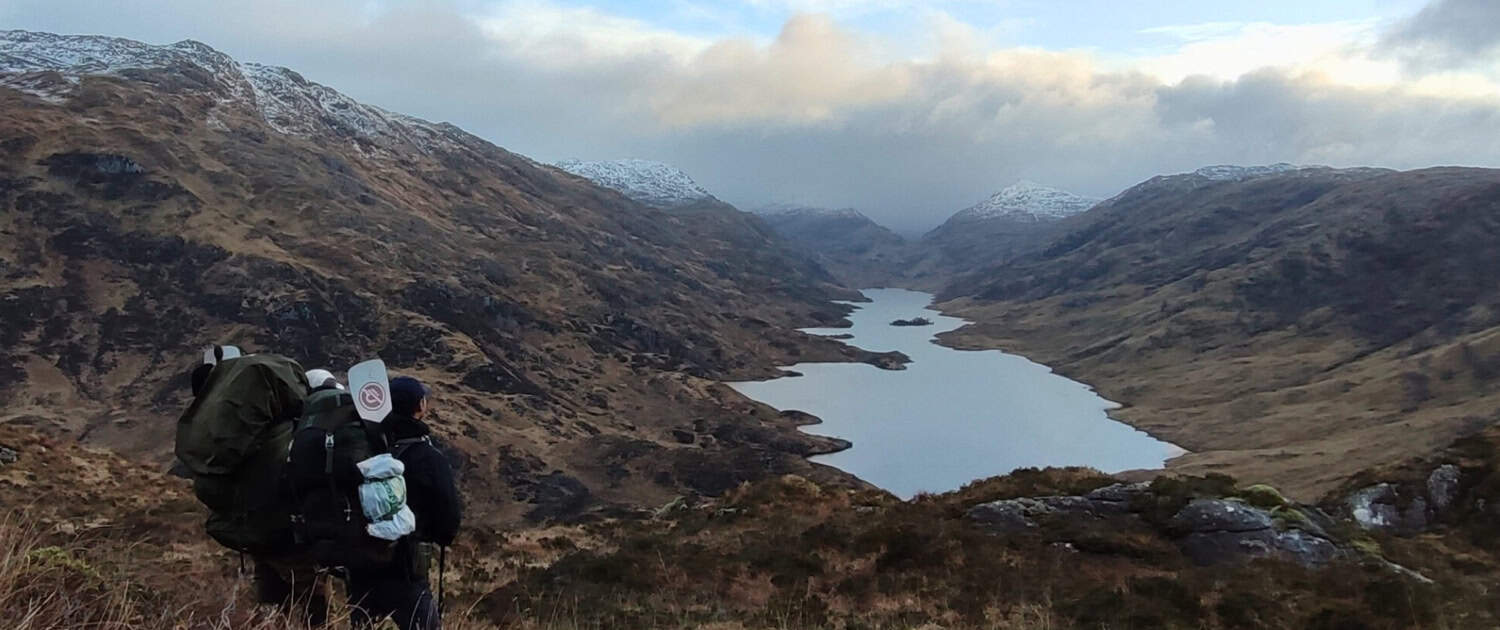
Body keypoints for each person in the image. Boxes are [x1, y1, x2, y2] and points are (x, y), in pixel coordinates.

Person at [346, 375, 462, 630]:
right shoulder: (428, 456)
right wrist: (434, 535)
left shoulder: (364, 448)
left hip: (360, 565)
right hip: (406, 566)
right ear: (420, 406)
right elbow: (449, 517)